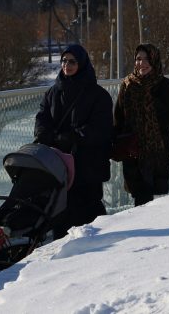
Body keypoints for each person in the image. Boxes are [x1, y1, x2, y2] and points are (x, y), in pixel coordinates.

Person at [32, 44, 113, 237]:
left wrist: (74, 137)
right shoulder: (53, 92)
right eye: (64, 61)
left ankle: (100, 247)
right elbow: (42, 116)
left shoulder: (98, 95)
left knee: (87, 210)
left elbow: (100, 128)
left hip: (87, 165)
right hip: (59, 163)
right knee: (61, 209)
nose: (66, 65)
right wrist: (44, 133)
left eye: (72, 61)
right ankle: (63, 247)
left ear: (82, 63)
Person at [113, 43, 169, 207]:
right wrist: (113, 146)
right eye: (138, 59)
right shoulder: (127, 85)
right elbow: (118, 119)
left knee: (148, 197)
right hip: (132, 151)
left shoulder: (165, 87)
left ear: (154, 60)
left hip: (156, 153)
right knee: (139, 196)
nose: (141, 63)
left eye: (146, 59)